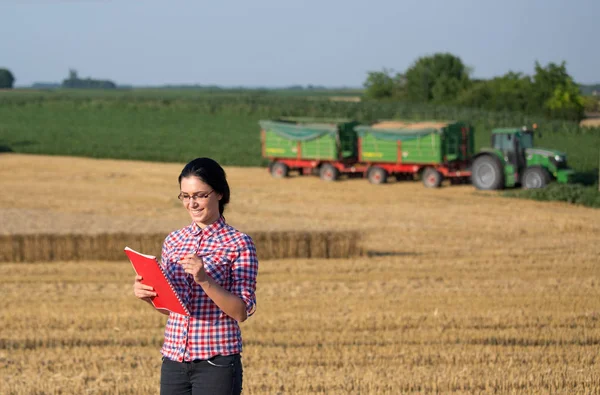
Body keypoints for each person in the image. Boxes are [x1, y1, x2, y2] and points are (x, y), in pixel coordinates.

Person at [133, 157, 258, 395]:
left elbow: (241, 312)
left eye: (200, 195)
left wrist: (205, 280)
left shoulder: (239, 243)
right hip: (174, 358)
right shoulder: (173, 241)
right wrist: (149, 297)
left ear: (220, 193)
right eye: (186, 196)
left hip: (217, 361)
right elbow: (173, 309)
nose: (193, 203)